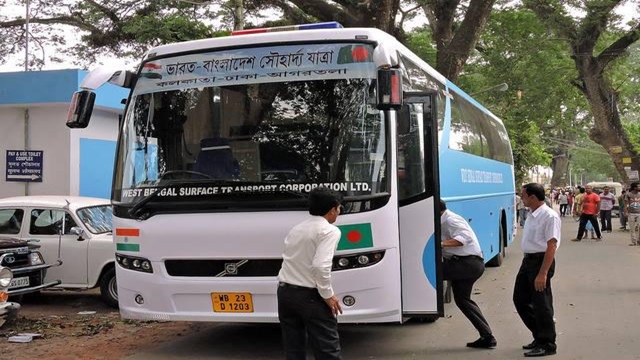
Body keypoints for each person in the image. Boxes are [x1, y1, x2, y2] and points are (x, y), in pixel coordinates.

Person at [277, 187, 344, 360]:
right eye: (339, 207)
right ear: (332, 210)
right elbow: (320, 266)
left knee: (294, 349)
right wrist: (328, 295)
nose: (339, 211)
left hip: (285, 293)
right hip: (310, 296)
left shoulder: (296, 229)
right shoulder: (330, 231)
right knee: (327, 348)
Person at [440, 199, 496, 349]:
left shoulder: (451, 220)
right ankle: (487, 337)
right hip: (470, 264)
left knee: (430, 272)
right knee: (463, 300)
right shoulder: (445, 219)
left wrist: (441, 244)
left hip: (467, 264)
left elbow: (465, 238)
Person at [514, 183, 561, 357]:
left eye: (524, 195)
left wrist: (542, 273)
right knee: (520, 299)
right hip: (528, 261)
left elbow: (552, 246)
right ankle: (539, 335)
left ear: (532, 197)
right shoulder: (532, 214)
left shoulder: (549, 216)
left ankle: (548, 343)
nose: (522, 198)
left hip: (540, 262)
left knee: (542, 304)